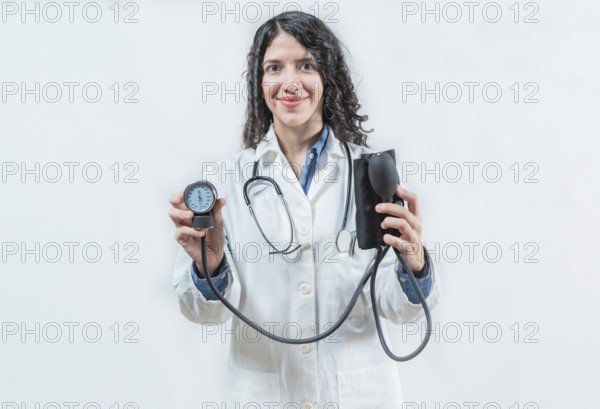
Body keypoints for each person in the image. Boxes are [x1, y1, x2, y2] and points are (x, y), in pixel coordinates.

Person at [169, 11, 440, 408]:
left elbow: (399, 311)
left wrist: (413, 261)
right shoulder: (227, 181)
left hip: (357, 395)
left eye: (306, 65)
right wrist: (209, 266)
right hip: (264, 395)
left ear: (326, 77)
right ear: (260, 82)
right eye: (274, 67)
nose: (290, 82)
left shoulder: (372, 174)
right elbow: (205, 315)